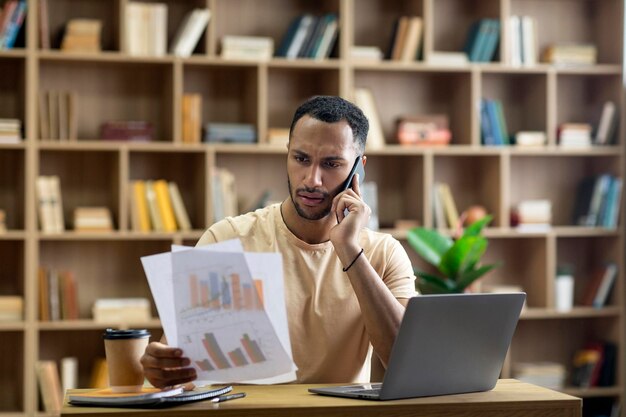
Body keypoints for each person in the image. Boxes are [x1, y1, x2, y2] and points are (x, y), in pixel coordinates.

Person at [140, 95, 416, 387]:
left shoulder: (384, 253)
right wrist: (160, 366)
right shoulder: (226, 240)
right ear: (287, 154)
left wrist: (350, 251)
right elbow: (176, 368)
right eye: (301, 159)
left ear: (358, 168)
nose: (312, 180)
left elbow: (405, 362)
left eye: (331, 164)